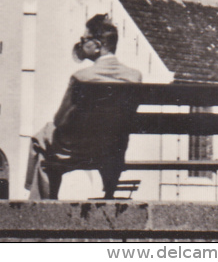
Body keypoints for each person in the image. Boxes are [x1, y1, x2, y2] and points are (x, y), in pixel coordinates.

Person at [26, 14, 142, 200]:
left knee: (41, 141)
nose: (80, 44)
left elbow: (60, 120)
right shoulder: (134, 77)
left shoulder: (82, 78)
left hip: (76, 150)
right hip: (112, 149)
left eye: (83, 40)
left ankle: (41, 207)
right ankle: (109, 191)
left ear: (96, 45)